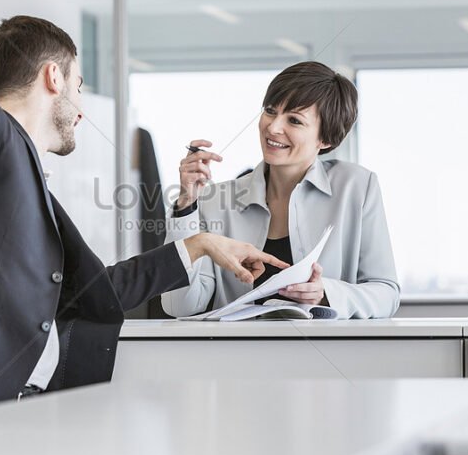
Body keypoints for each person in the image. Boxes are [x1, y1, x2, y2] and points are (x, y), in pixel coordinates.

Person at [0, 15, 288, 421]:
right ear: (53, 77)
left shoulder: (25, 181)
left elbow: (94, 292)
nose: (81, 107)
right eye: (79, 87)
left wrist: (201, 245)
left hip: (19, 411)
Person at [162, 61, 400, 319]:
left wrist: (326, 293)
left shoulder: (356, 187)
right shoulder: (214, 201)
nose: (273, 127)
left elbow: (386, 293)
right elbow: (178, 307)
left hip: (326, 344)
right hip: (238, 345)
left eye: (294, 120)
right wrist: (186, 205)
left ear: (326, 139)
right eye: (270, 111)